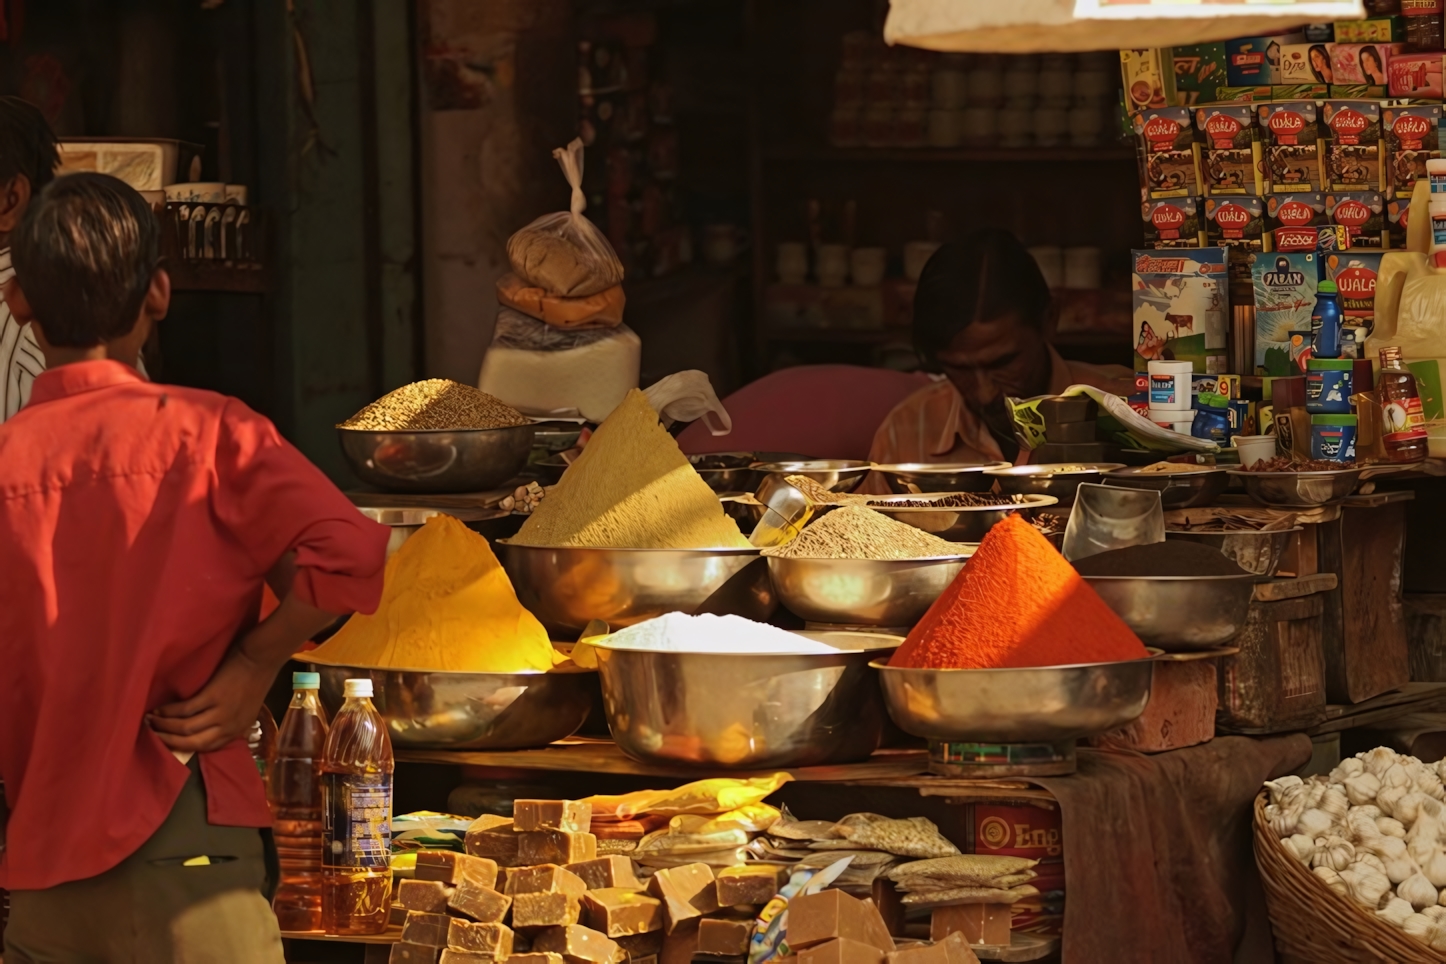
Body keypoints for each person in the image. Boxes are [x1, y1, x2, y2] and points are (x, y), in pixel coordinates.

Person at [0, 174, 389, 960]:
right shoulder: (208, 433)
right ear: (160, 294)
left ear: (17, 302)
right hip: (186, 847)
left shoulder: (7, 461)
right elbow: (348, 552)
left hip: (40, 869)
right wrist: (254, 662)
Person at [869, 229, 1134, 466]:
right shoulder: (905, 431)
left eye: (1002, 363)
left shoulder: (1131, 410)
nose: (985, 395)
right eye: (959, 368)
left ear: (1049, 319)